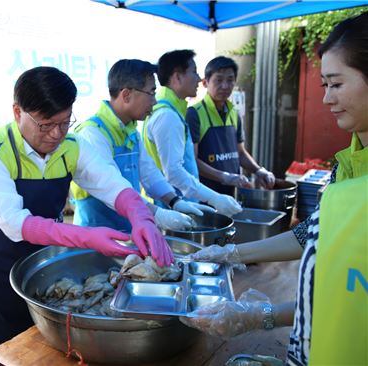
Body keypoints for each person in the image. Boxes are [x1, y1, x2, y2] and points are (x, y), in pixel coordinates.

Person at [181, 11, 368, 365]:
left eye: (337, 84)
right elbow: (312, 240)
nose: (327, 99)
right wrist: (232, 254)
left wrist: (258, 314)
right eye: (323, 85)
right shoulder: (346, 166)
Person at [0, 66, 174, 365]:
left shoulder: (72, 146)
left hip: (42, 256)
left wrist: (142, 216)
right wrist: (87, 237)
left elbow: (112, 184)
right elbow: (15, 224)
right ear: (17, 112)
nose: (56, 134)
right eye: (46, 124)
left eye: (65, 123)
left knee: (43, 341)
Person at [71, 59, 215, 233]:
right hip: (96, 236)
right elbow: (112, 188)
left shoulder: (131, 131)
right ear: (126, 95)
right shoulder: (93, 134)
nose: (154, 101)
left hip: (128, 232)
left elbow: (150, 174)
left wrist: (175, 202)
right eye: (151, 93)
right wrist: (157, 214)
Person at [142, 50, 242, 217]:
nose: (198, 78)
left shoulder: (171, 111)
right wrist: (214, 198)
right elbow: (173, 172)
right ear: (177, 77)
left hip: (180, 203)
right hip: (174, 206)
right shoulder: (168, 116)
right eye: (194, 72)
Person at [186, 56, 276, 197]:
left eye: (230, 80)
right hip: (205, 195)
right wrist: (225, 177)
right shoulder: (194, 114)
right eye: (219, 80)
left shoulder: (234, 113)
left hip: (231, 194)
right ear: (205, 82)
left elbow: (240, 153)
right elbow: (192, 159)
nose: (225, 86)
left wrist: (259, 170)